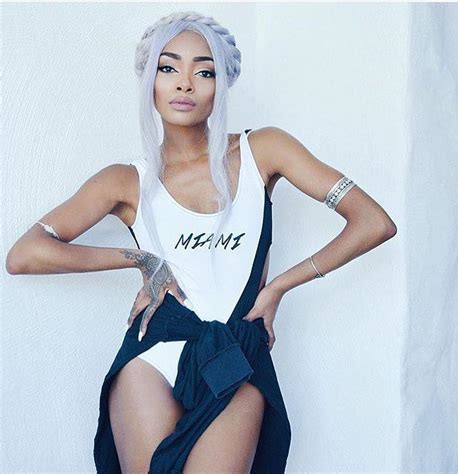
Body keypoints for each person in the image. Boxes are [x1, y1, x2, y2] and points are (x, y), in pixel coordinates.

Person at [5, 10, 397, 474]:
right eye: (168, 68)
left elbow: (373, 222)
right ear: (149, 81)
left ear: (221, 84)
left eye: (203, 70)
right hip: (153, 352)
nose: (185, 84)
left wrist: (276, 289)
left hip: (235, 350)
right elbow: (25, 254)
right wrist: (141, 260)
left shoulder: (263, 150)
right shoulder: (127, 180)